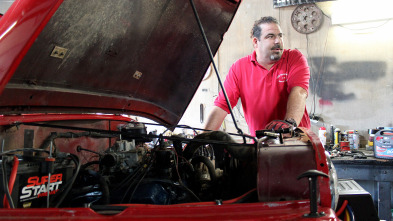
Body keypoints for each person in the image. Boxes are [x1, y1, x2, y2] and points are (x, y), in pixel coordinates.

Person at [204, 16, 310, 136]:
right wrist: (200, 140)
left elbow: (299, 92)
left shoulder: (294, 58)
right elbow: (221, 106)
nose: (278, 41)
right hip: (262, 145)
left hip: (297, 141)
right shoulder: (239, 68)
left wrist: (289, 123)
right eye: (270, 36)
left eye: (280, 36)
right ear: (255, 42)